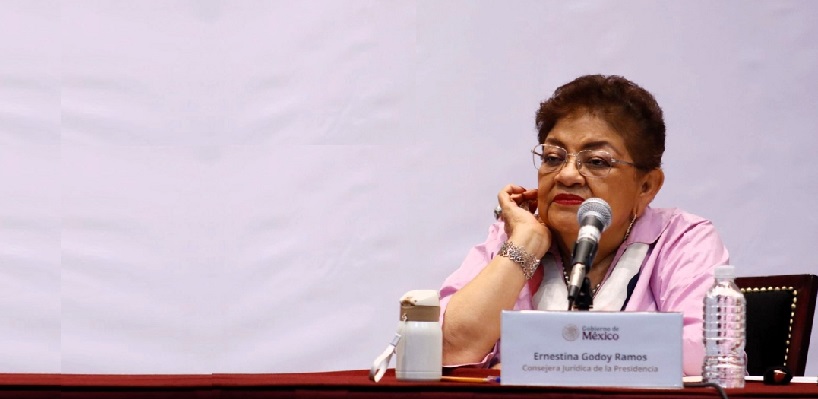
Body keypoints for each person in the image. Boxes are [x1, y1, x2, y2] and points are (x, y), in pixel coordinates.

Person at [439, 74, 729, 377]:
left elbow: (707, 353)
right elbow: (446, 349)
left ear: (646, 186)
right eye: (553, 157)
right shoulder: (515, 236)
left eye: (597, 162)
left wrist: (535, 362)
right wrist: (525, 245)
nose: (567, 175)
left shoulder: (681, 239)